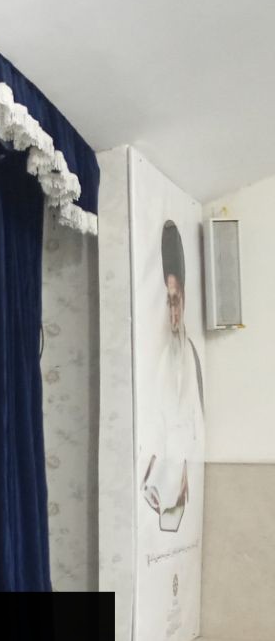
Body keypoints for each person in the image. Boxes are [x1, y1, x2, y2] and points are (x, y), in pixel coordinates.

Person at [140, 220, 205, 532]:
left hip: (179, 465)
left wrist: (185, 474)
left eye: (176, 301)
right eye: (168, 302)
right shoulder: (158, 354)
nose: (173, 312)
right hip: (161, 464)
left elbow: (196, 424)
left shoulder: (190, 352)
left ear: (184, 300)